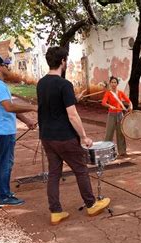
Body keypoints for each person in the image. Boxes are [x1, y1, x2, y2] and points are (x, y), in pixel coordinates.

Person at [37, 47, 110, 225]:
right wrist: (84, 136)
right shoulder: (64, 84)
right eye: (66, 60)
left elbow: (52, 105)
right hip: (65, 137)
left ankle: (55, 211)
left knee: (54, 173)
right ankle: (91, 204)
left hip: (47, 136)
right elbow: (72, 115)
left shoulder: (41, 83)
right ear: (62, 61)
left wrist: (72, 98)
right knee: (81, 170)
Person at [0, 55, 37, 207]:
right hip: (2, 131)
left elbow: (9, 107)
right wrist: (33, 107)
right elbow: (10, 107)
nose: (8, 67)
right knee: (6, 163)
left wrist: (27, 121)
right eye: (5, 65)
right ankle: (5, 196)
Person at [101, 76, 133, 156]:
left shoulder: (120, 93)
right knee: (109, 134)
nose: (113, 84)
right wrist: (109, 106)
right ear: (110, 83)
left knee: (121, 133)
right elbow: (103, 102)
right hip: (111, 115)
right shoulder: (108, 93)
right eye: (112, 82)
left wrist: (130, 106)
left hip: (120, 115)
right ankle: (106, 152)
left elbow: (129, 101)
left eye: (115, 82)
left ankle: (122, 151)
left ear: (117, 84)